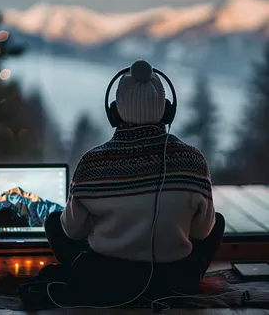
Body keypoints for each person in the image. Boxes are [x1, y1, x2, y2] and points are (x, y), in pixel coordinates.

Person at [19, 60, 225, 308]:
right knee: (218, 222)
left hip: (103, 281)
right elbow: (201, 233)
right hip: (176, 281)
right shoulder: (193, 161)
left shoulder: (91, 163)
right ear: (166, 110)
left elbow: (72, 231)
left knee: (54, 221)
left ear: (114, 113)